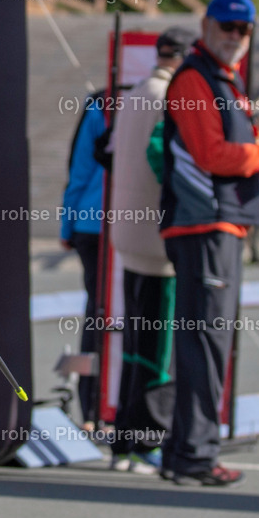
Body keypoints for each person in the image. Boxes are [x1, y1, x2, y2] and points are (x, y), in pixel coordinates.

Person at [159, 0, 259, 486]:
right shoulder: (196, 77)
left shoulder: (222, 78)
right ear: (206, 25)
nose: (236, 36)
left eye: (244, 29)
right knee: (206, 343)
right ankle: (194, 455)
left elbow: (229, 151)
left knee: (205, 342)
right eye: (228, 26)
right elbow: (213, 155)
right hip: (204, 224)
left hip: (216, 224)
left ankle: (185, 452)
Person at [107, 27, 194, 473]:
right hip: (159, 242)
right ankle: (147, 439)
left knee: (134, 345)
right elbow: (166, 161)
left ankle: (125, 439)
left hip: (128, 234)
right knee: (158, 351)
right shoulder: (168, 97)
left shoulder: (135, 93)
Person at [60, 90, 107, 430]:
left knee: (96, 314)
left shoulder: (101, 104)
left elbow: (79, 169)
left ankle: (91, 408)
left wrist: (68, 225)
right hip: (109, 226)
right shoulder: (101, 105)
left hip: (92, 224)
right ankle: (95, 407)